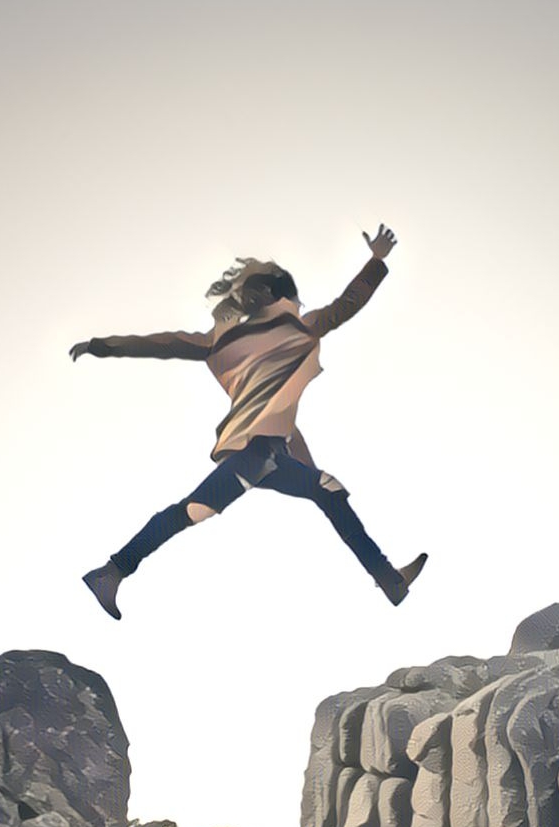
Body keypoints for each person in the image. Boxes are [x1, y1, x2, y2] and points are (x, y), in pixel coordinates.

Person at [70, 223, 427, 619]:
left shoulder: (264, 334)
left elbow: (346, 305)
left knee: (327, 491)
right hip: (253, 456)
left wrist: (376, 262)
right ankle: (113, 570)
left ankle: (390, 582)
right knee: (191, 511)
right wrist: (101, 346)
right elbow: (164, 343)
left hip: (270, 456)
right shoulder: (263, 334)